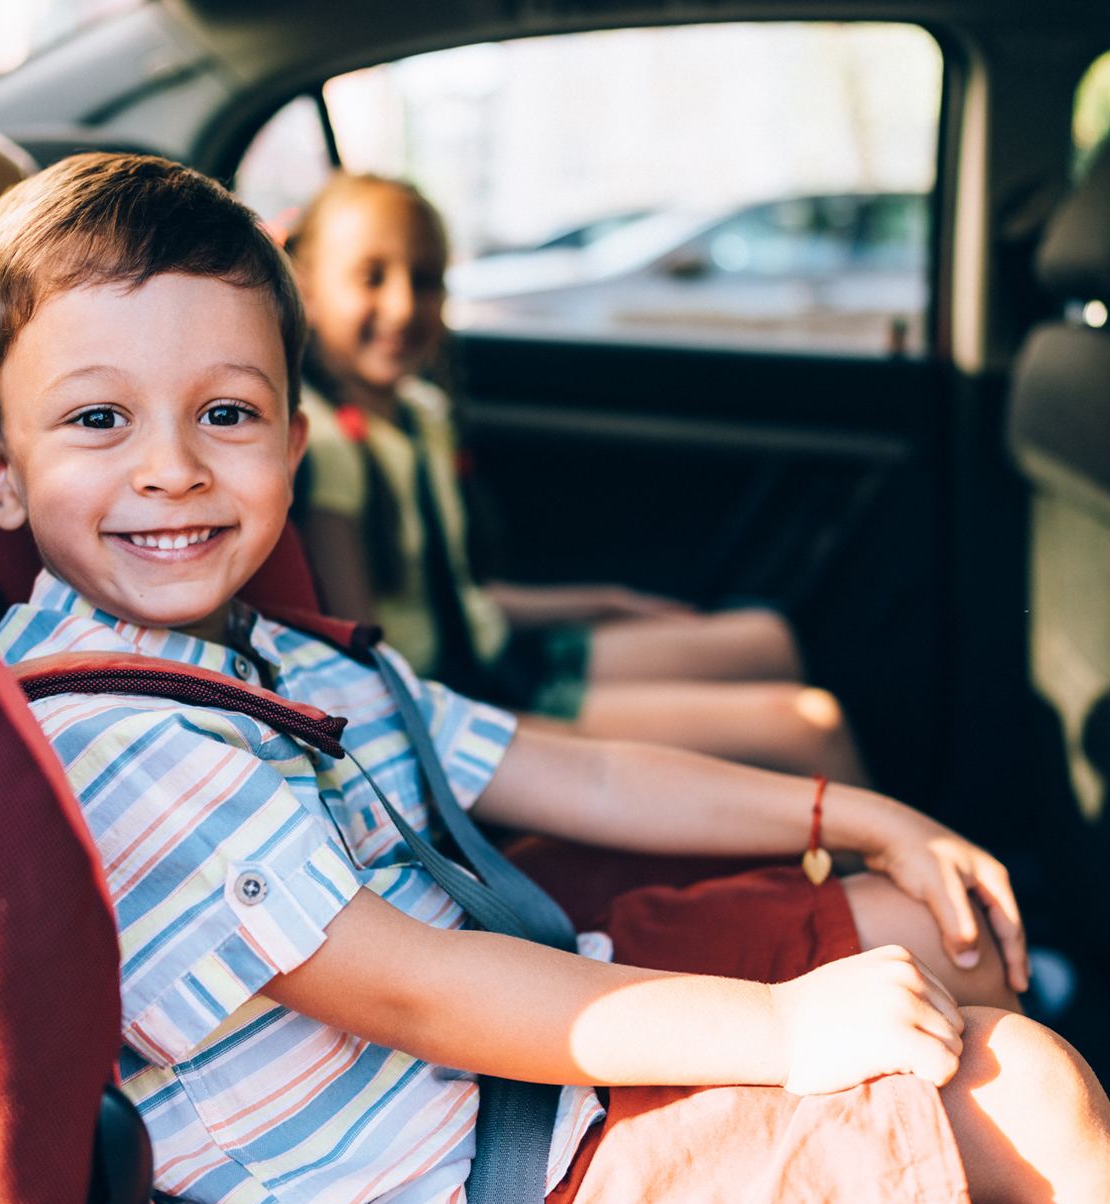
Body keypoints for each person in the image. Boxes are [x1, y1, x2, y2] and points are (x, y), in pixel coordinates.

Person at [0, 153, 1110, 1204]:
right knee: (1029, 1093)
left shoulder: (278, 657)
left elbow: (585, 779)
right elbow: (414, 988)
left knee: (936, 935)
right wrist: (786, 1034)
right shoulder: (114, 740)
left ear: (292, 440)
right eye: (98, 421)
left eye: (226, 414)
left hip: (513, 1094)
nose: (174, 469)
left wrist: (860, 813)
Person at [286, 172, 867, 783]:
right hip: (456, 706)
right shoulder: (326, 446)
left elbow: (457, 601)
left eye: (426, 280)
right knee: (810, 728)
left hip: (501, 657)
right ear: (308, 289)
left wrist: (600, 602)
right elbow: (367, 667)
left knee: (770, 638)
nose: (404, 305)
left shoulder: (418, 414)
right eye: (371, 277)